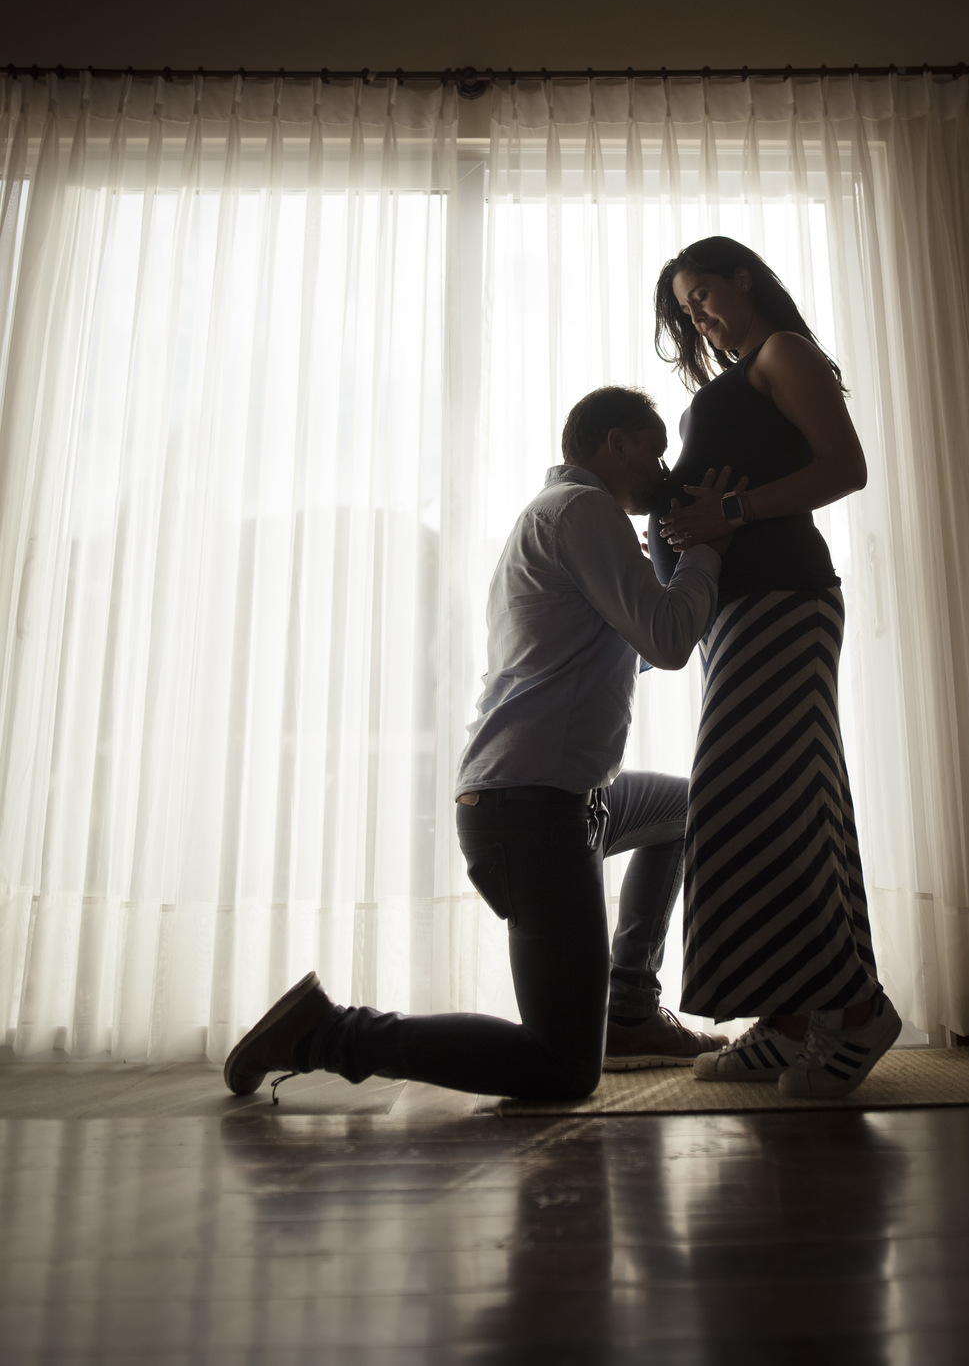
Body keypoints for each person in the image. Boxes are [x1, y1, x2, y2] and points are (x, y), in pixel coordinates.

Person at [224, 385, 732, 1102]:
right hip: (530, 810)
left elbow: (641, 645)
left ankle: (630, 1009)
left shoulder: (558, 516)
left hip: (557, 797)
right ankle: (327, 1031)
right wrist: (708, 547)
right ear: (613, 443)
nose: (663, 467)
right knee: (561, 1070)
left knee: (690, 805)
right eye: (653, 450)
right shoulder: (583, 510)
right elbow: (671, 638)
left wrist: (669, 554)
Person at [647, 236, 902, 1100]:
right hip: (737, 610)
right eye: (687, 309)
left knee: (764, 795)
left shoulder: (783, 353)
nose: (700, 315)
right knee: (780, 796)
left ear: (743, 278)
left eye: (705, 293)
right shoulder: (737, 373)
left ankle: (858, 1009)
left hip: (785, 599)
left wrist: (729, 508)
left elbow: (846, 466)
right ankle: (792, 1016)